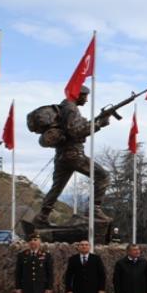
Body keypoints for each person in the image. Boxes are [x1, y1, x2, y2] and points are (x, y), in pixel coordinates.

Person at [34, 85, 111, 226]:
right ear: (77, 95)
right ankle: (94, 209)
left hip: (62, 155)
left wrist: (96, 120)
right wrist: (99, 124)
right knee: (103, 176)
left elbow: (73, 128)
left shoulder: (64, 108)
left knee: (57, 188)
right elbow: (76, 132)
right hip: (74, 154)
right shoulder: (71, 109)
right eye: (84, 96)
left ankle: (42, 216)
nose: (87, 100)